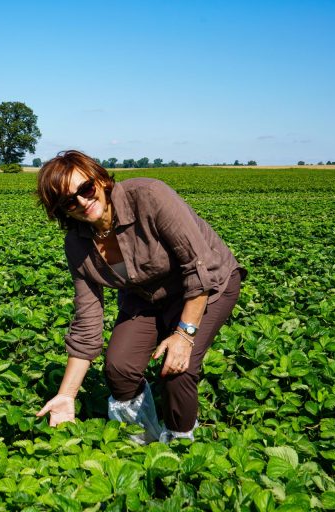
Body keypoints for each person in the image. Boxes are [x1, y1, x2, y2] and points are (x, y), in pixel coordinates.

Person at [34, 150, 245, 443]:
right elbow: (88, 320)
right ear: (61, 210)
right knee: (119, 367)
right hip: (145, 295)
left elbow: (199, 267)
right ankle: (143, 441)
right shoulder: (78, 245)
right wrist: (66, 395)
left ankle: (182, 452)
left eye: (86, 189)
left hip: (206, 284)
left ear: (101, 179)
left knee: (177, 370)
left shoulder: (149, 196)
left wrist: (184, 336)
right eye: (69, 201)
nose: (83, 202)